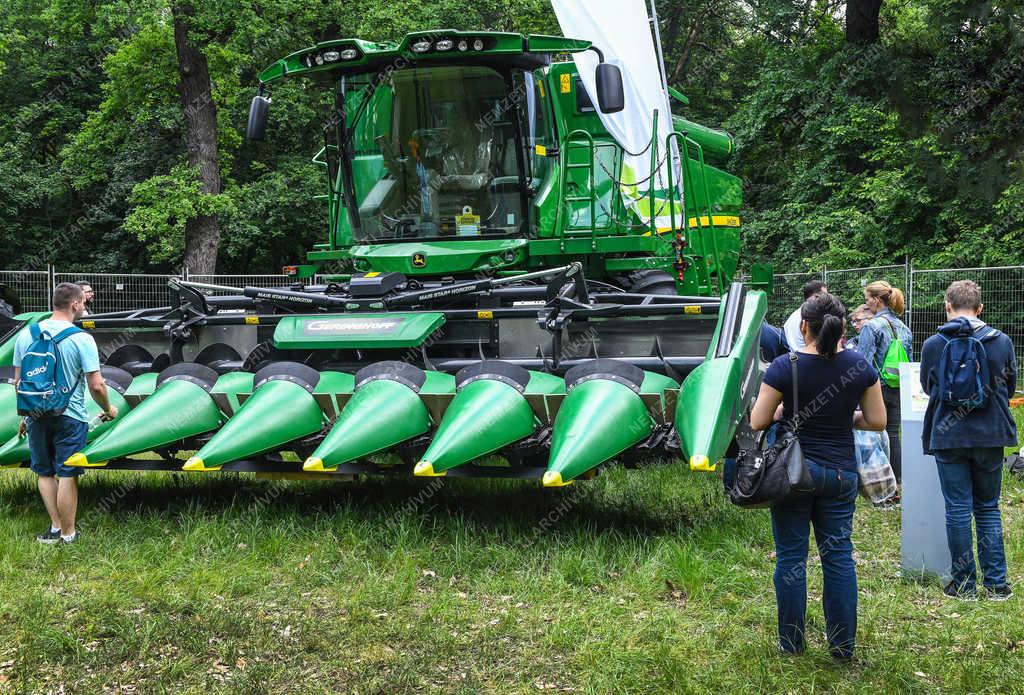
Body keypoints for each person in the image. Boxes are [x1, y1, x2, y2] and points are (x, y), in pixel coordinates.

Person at [751, 292, 887, 660]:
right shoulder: (860, 366)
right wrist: (847, 418)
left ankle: (791, 643)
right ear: (842, 328)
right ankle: (842, 647)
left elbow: (758, 420)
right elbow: (877, 421)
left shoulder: (785, 366)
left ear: (802, 327)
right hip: (840, 474)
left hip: (794, 475)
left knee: (791, 559)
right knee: (839, 558)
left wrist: (784, 413)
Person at [919, 280, 1017, 600]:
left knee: (957, 509)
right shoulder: (1001, 342)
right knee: (988, 507)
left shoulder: (935, 343)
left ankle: (963, 585)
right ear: (980, 308)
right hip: (991, 434)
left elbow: (927, 385)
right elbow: (1010, 384)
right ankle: (996, 584)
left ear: (947, 306)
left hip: (949, 435)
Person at [12, 283, 117, 544]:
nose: (84, 307)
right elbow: (96, 385)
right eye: (83, 302)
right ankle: (69, 534)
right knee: (67, 472)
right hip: (70, 415)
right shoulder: (82, 339)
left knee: (44, 472)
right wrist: (108, 408)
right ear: (75, 304)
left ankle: (55, 528)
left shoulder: (26, 335)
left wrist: (24, 417)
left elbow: (19, 382)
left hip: (35, 414)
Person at [858, 280, 912, 486]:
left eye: (867, 300)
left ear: (876, 300)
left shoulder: (871, 326)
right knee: (892, 434)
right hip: (898, 387)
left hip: (876, 389)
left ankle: (876, 481)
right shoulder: (904, 328)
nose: (867, 304)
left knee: (871, 433)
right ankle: (898, 479)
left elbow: (862, 364)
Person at [783, 280, 827, 350]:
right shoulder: (812, 315)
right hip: (811, 357)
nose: (827, 298)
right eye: (825, 295)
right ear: (814, 296)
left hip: (796, 358)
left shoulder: (791, 318)